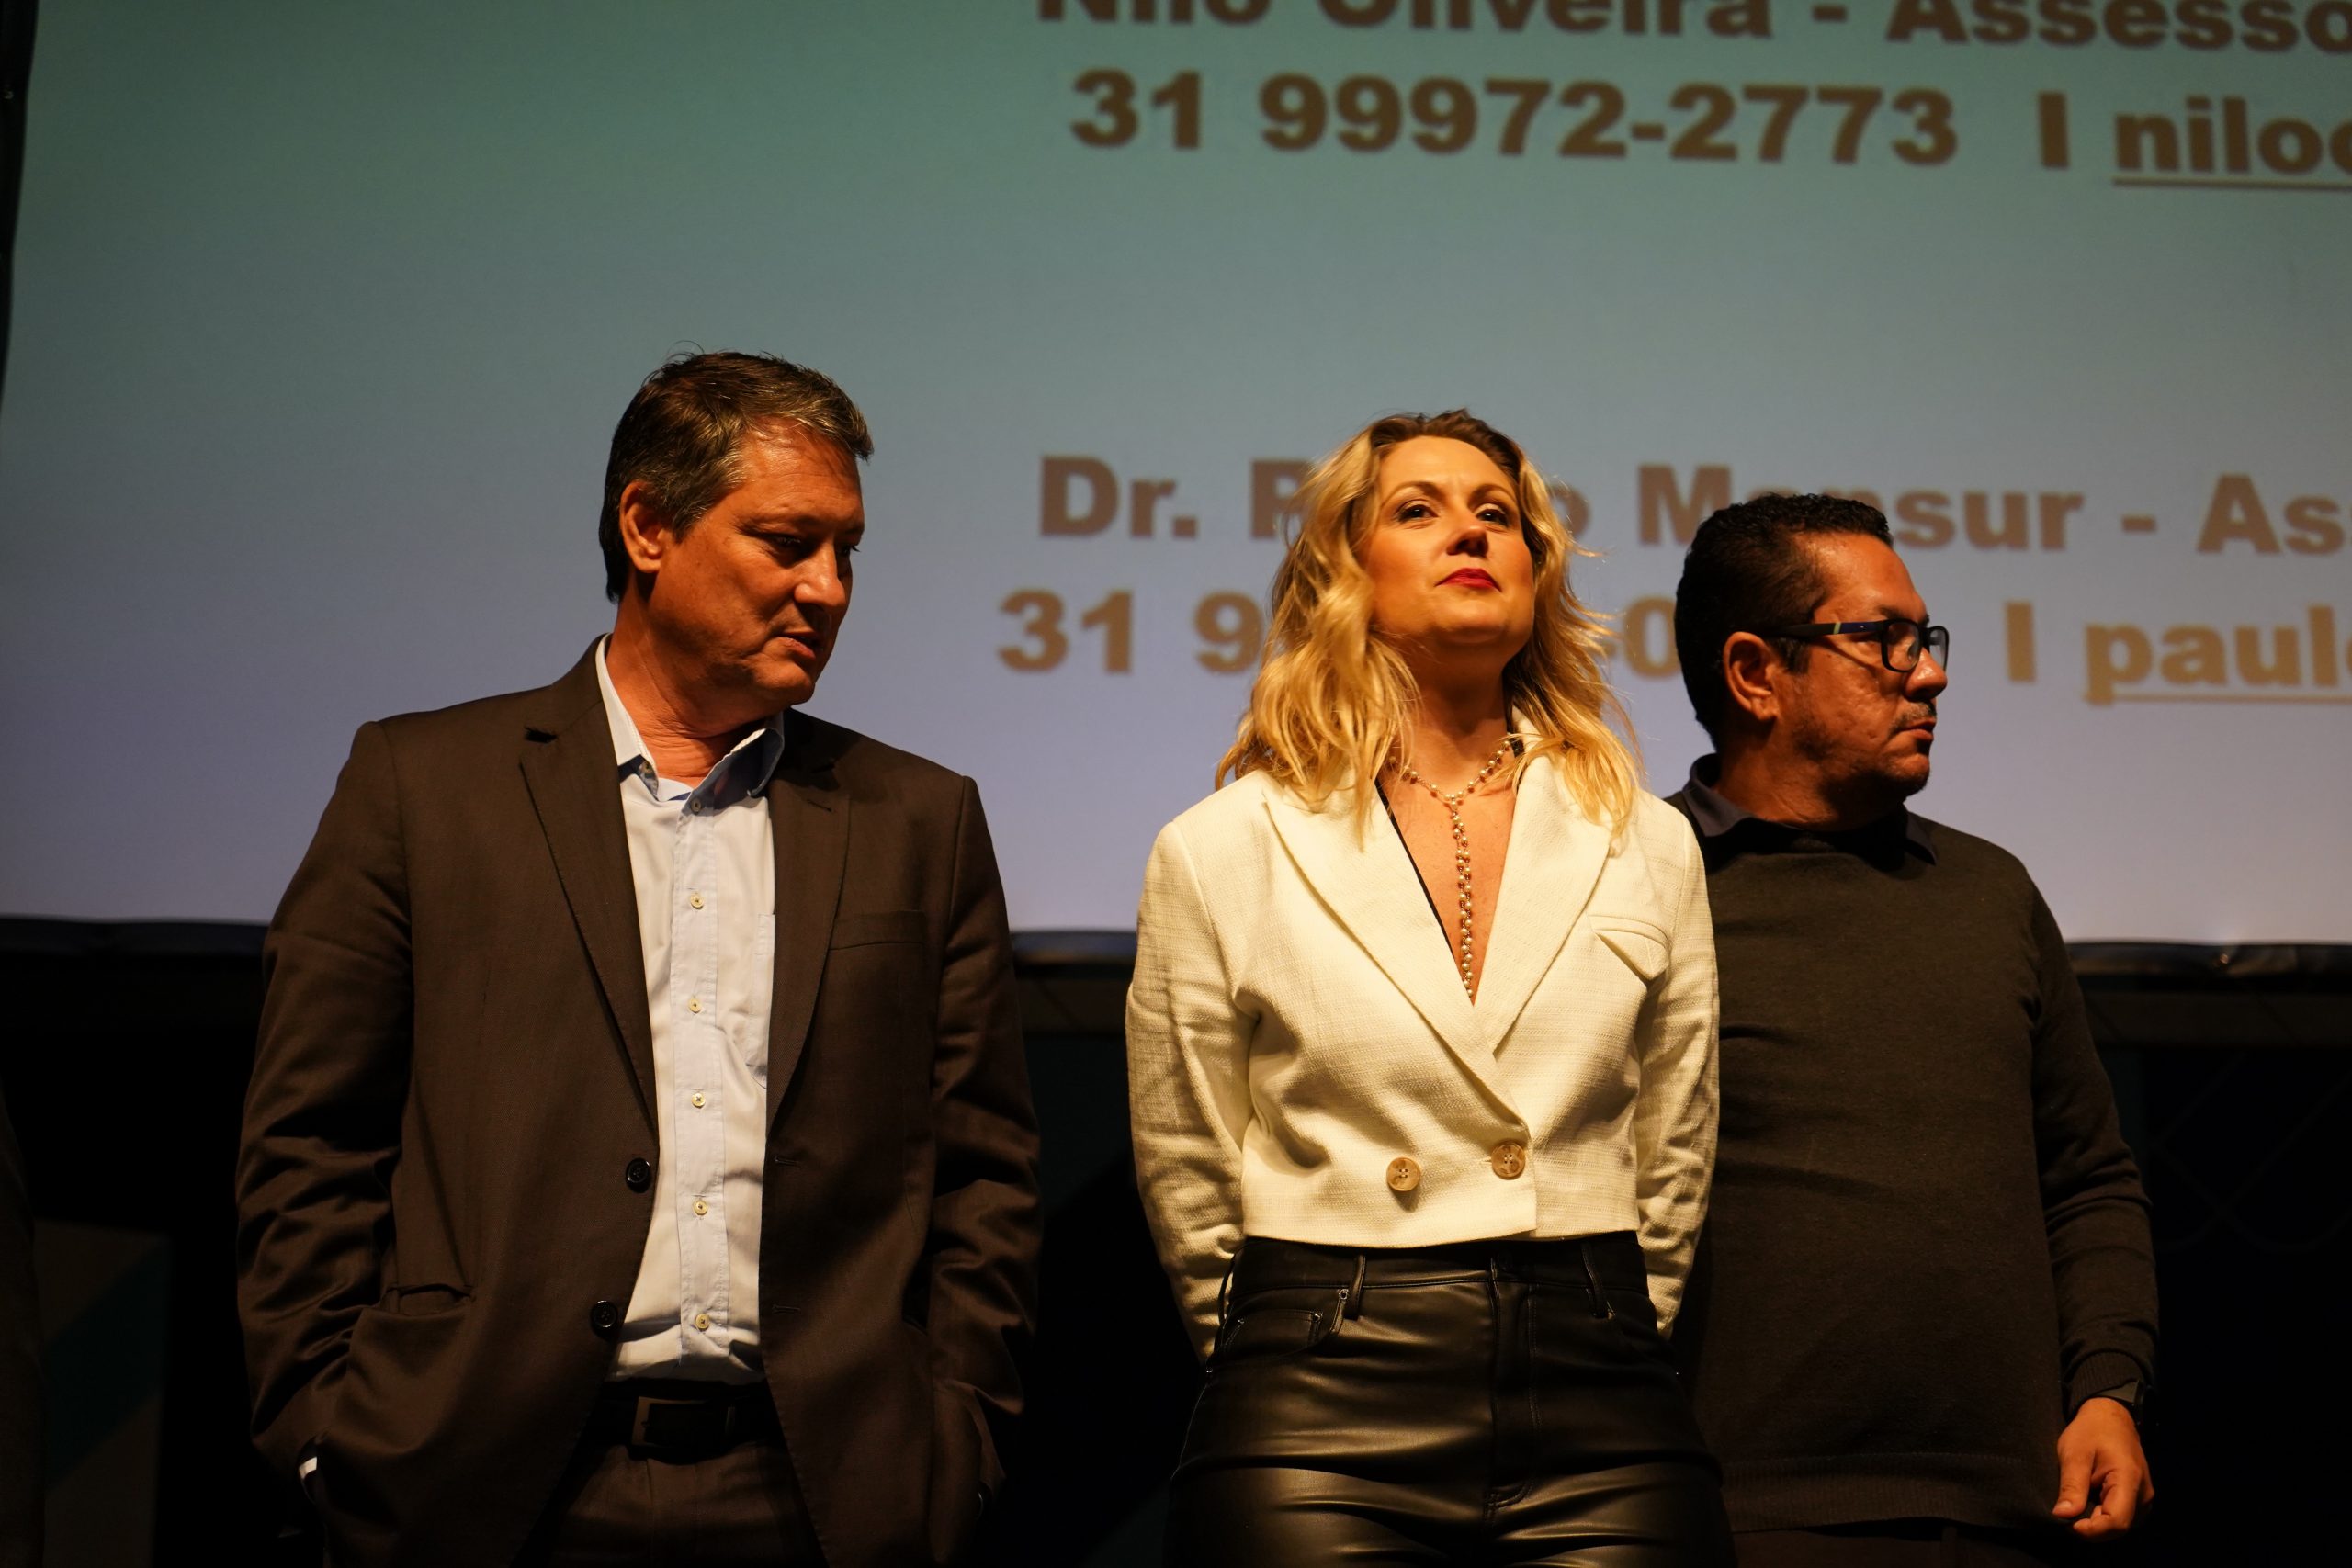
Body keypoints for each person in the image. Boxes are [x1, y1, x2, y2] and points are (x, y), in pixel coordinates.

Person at [236, 352, 1041, 1568]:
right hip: (477, 1482)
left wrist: (954, 1439)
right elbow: (312, 1139)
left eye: (847, 551)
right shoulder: (424, 788)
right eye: (787, 542)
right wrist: (327, 1435)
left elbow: (985, 1173)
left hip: (825, 1494)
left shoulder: (918, 818)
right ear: (649, 526)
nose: (827, 588)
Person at [1128, 410, 1731, 1566]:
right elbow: (1187, 1163)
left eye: (1496, 515)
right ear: (1344, 570)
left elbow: (1674, 1135)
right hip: (1319, 1394)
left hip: (1599, 1390)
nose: (1470, 533)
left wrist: (1615, 1317)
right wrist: (1277, 1342)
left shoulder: (1642, 839)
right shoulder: (1222, 846)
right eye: (1419, 510)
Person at [1665, 494, 2158, 1566]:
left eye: (1924, 639)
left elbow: (2086, 1180)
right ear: (1754, 673)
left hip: (2019, 1511)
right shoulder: (1637, 888)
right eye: (1881, 640)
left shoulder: (1989, 891)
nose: (1927, 675)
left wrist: (2107, 1390)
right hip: (1740, 1516)